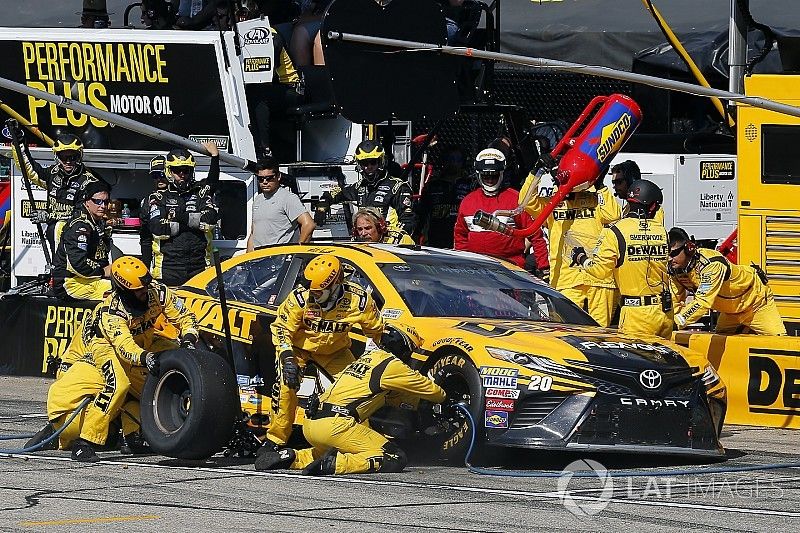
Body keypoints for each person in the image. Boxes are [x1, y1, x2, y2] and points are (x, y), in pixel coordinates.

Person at [46, 256, 200, 461]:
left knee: (177, 355)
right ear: (125, 290)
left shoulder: (157, 292)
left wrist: (189, 338)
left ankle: (133, 437)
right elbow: (124, 347)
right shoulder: (111, 312)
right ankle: (85, 442)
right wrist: (146, 358)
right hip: (105, 346)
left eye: (146, 284)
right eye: (139, 289)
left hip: (145, 339)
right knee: (118, 384)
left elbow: (186, 316)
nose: (146, 291)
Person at [255, 323, 448, 475]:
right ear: (403, 347)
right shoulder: (392, 366)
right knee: (395, 456)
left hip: (312, 423)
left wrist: (412, 403)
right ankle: (337, 464)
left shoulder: (365, 359)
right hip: (336, 425)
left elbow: (387, 398)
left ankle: (292, 457)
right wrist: (446, 398)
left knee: (328, 451)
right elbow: (435, 392)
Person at [263, 254, 385, 452]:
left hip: (336, 351)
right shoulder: (300, 296)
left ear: (335, 284)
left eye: (318, 292)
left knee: (358, 390)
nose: (313, 295)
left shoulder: (359, 299)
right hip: (298, 349)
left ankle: (362, 440)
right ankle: (276, 440)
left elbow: (377, 331)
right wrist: (287, 357)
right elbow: (281, 328)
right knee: (287, 384)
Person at [518, 162, 620, 327]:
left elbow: (614, 214)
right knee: (566, 331)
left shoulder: (594, 198)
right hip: (566, 278)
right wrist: (535, 172)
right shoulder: (551, 203)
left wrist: (600, 185)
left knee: (600, 334)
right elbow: (525, 201)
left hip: (599, 277)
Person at [571, 180, 673, 338]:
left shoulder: (615, 232)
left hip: (636, 314)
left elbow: (599, 270)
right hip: (665, 312)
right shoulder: (662, 232)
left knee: (637, 361)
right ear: (652, 207)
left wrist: (581, 257)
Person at [668, 227, 786, 335]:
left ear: (689, 248)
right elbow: (675, 300)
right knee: (719, 345)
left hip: (756, 304)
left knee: (781, 346)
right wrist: (668, 321)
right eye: (667, 253)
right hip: (730, 312)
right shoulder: (675, 270)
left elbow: (703, 302)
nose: (669, 258)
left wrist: (676, 323)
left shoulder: (712, 264)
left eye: (673, 253)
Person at [10, 128, 101, 254]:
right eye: (63, 157)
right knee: (54, 229)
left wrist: (49, 216)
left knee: (57, 228)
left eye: (73, 156)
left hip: (80, 234)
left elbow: (83, 215)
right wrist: (18, 142)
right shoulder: (52, 174)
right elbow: (30, 170)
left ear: (80, 156)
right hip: (56, 234)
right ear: (56, 156)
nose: (68, 161)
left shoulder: (89, 181)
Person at [148, 143, 220, 286]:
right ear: (169, 171)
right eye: (177, 170)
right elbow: (158, 229)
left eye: (186, 170)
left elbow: (210, 221)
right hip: (168, 268)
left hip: (199, 267)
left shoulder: (201, 193)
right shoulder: (158, 197)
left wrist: (179, 217)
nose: (182, 174)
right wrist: (194, 223)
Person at [317, 140, 417, 234]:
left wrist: (395, 237)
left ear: (381, 162)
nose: (368, 167)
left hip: (388, 243)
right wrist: (322, 206)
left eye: (373, 162)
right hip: (364, 240)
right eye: (364, 163)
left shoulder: (398, 187)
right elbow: (335, 193)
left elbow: (408, 220)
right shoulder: (359, 186)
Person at [454, 149, 533, 268]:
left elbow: (535, 235)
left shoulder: (516, 199)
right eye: (486, 176)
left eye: (494, 176)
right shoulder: (468, 201)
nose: (490, 180)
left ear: (501, 174)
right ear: (478, 174)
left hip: (510, 268)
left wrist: (545, 268)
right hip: (476, 268)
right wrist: (462, 264)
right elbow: (460, 237)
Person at [51, 180, 113, 301]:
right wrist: (102, 271)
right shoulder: (80, 225)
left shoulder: (98, 221)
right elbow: (78, 263)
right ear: (87, 201)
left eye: (106, 202)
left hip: (88, 279)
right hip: (71, 283)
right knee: (121, 293)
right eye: (98, 201)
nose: (103, 206)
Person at [247, 27, 303, 159]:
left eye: (244, 14)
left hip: (290, 88)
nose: (241, 18)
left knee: (258, 95)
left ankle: (264, 149)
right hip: (267, 88)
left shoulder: (270, 35)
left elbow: (267, 74)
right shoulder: (239, 35)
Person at [246, 157, 315, 251]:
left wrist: (297, 254)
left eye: (269, 178)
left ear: (278, 176)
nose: (265, 182)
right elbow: (253, 234)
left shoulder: (288, 198)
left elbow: (309, 224)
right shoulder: (258, 199)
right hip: (258, 259)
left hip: (279, 260)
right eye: (261, 179)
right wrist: (248, 258)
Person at [416, 145, 463, 248]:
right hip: (436, 240)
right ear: (444, 161)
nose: (453, 163)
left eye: (457, 160)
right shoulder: (433, 186)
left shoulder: (469, 185)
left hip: (460, 239)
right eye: (450, 160)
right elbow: (422, 216)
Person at [607, 160, 665, 224]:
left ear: (631, 181)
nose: (615, 187)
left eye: (619, 182)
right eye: (614, 183)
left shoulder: (651, 208)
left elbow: (653, 231)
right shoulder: (627, 208)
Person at [139, 155, 168, 268]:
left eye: (162, 174)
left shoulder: (182, 196)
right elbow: (145, 237)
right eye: (155, 175)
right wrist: (146, 265)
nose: (159, 179)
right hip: (160, 263)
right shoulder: (147, 201)